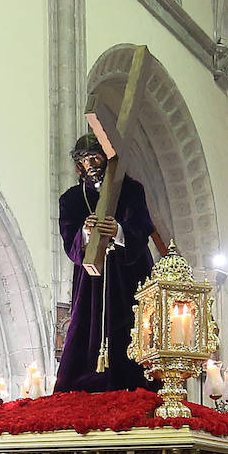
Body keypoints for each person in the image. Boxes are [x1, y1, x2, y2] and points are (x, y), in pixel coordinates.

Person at [54, 133, 154, 393]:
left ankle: (134, 384)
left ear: (107, 157)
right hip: (92, 281)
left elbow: (142, 229)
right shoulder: (71, 199)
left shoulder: (131, 190)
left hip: (127, 278)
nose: (92, 164)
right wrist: (86, 233)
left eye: (96, 156)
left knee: (130, 329)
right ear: (79, 165)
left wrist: (119, 231)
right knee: (87, 328)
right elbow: (70, 243)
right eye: (85, 159)